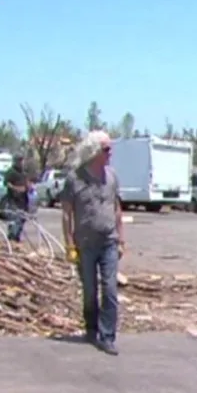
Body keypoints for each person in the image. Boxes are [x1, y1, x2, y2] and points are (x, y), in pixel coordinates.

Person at [60, 131, 126, 356]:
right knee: (90, 290)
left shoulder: (112, 177)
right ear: (94, 151)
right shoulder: (74, 179)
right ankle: (91, 328)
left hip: (109, 241)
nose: (110, 153)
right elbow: (67, 214)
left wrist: (121, 239)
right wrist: (69, 245)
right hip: (85, 244)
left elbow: (117, 209)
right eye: (106, 149)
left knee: (110, 289)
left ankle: (107, 337)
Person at [3, 154, 29, 242]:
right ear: (15, 161)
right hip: (13, 199)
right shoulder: (10, 172)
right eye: (19, 160)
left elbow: (26, 183)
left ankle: (17, 236)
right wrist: (16, 188)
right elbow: (6, 183)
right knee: (14, 218)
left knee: (22, 218)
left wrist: (28, 187)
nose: (21, 162)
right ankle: (11, 237)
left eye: (22, 160)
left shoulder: (23, 173)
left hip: (23, 200)